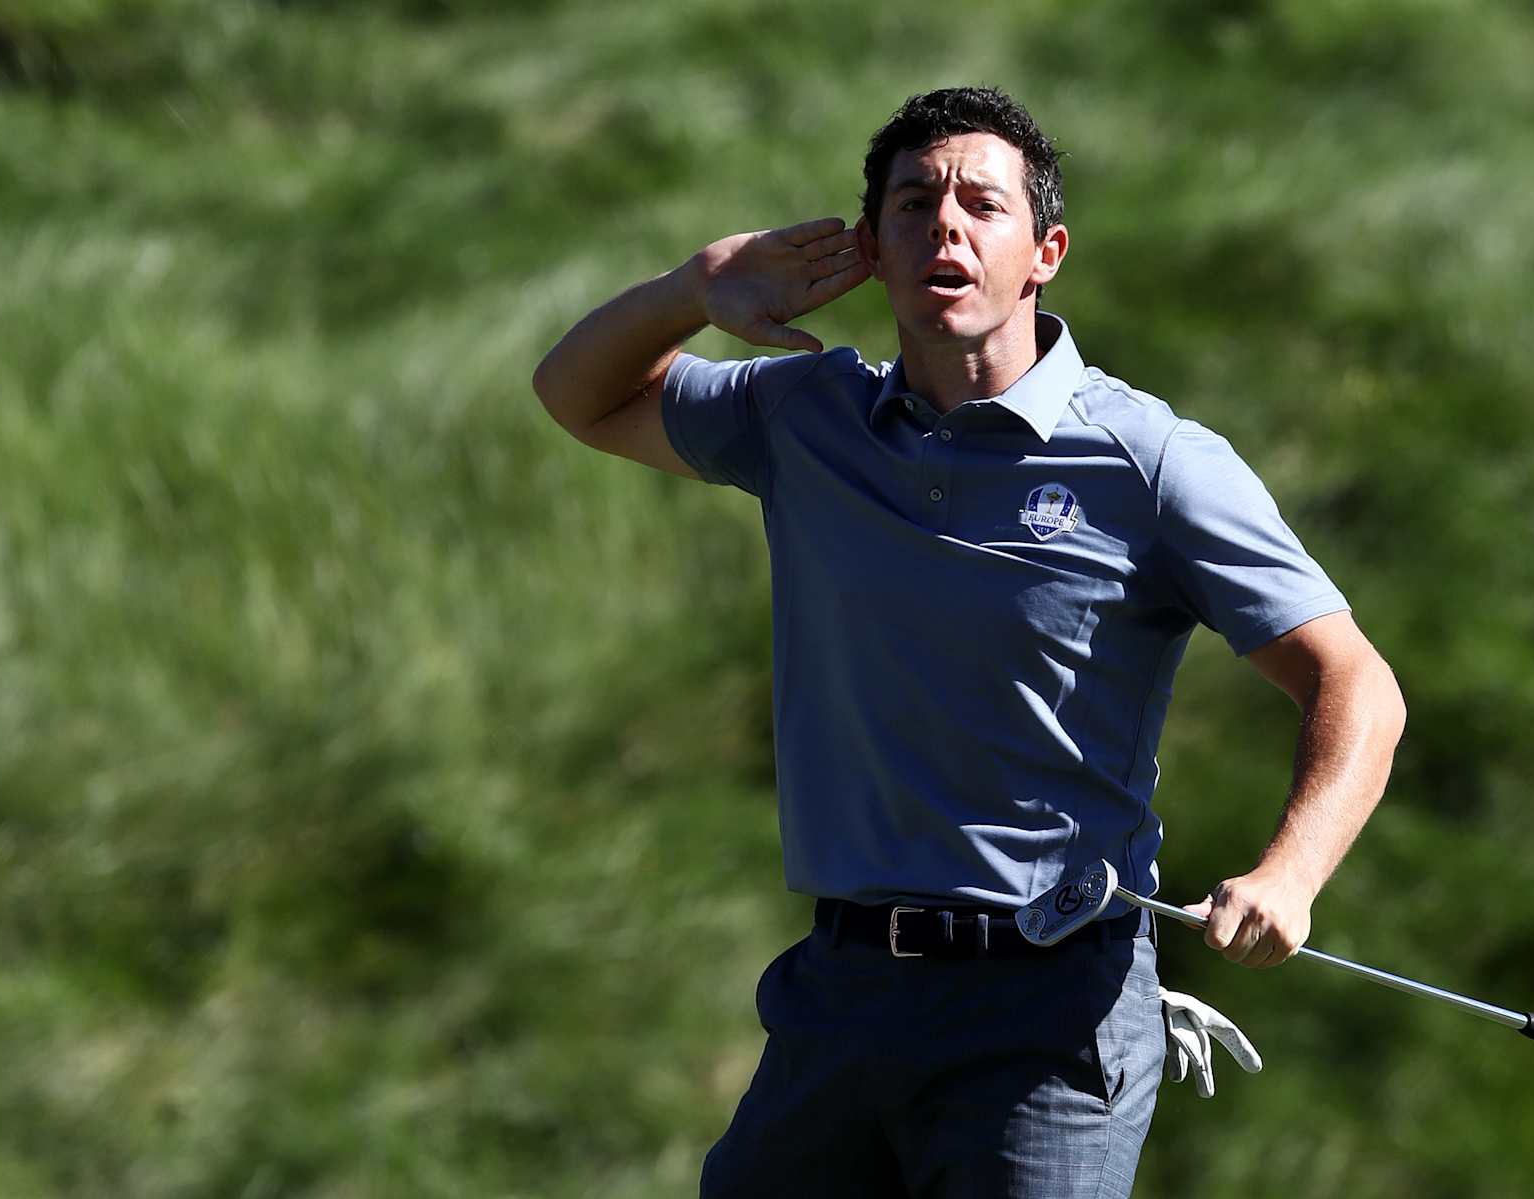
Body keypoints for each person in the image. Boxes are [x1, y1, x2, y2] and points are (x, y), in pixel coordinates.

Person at [534, 86, 1406, 1199]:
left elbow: (1355, 681)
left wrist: (1293, 870)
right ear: (872, 250)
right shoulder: (805, 416)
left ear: (1044, 252)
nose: (946, 224)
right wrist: (691, 291)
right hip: (842, 998)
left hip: (1046, 1013)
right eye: (913, 203)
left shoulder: (1149, 461)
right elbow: (578, 395)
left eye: (981, 204)